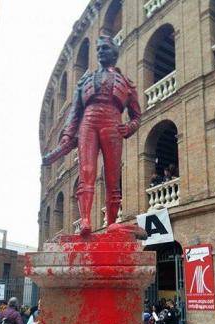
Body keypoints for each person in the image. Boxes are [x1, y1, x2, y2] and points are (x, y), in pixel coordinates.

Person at [43, 35, 141, 236]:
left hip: (113, 123)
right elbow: (75, 113)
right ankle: (86, 220)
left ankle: (112, 222)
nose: (100, 52)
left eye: (104, 48)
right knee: (86, 171)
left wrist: (130, 127)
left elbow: (137, 115)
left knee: (113, 175)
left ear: (114, 52)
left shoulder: (127, 83)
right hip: (88, 123)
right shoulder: (85, 81)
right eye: (98, 50)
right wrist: (67, 137)